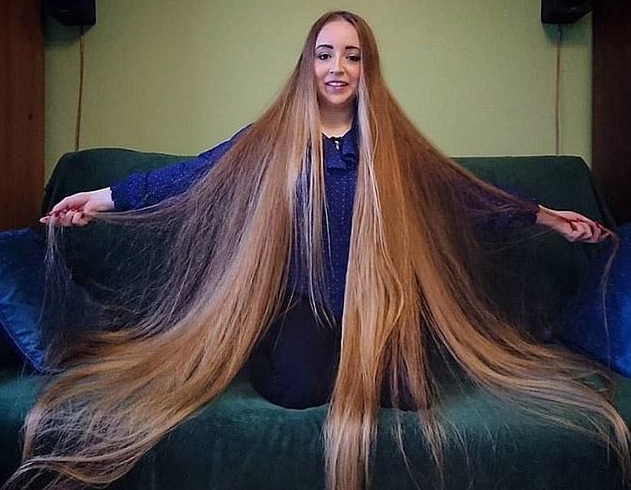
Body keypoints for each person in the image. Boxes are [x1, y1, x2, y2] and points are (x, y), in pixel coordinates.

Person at [9, 10, 628, 490]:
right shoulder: (270, 137)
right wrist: (102, 198)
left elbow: (462, 194)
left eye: (352, 57)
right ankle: (284, 343)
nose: (338, 68)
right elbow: (191, 176)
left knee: (409, 395)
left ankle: (359, 352)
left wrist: (547, 216)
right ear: (308, 64)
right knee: (297, 388)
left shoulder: (391, 147)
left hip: (377, 302)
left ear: (366, 69)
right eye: (326, 54)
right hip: (302, 304)